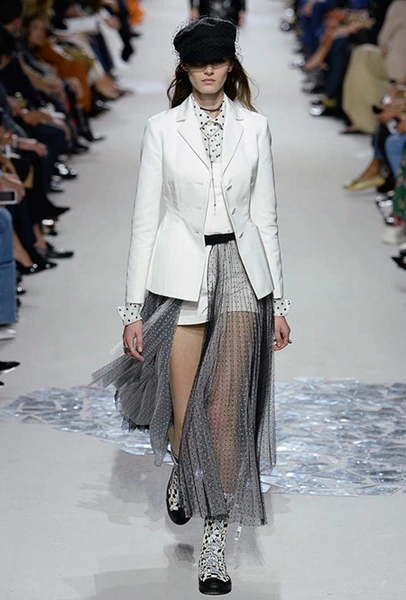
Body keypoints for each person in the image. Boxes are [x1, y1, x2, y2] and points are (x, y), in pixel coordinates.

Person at [91, 17, 291, 595]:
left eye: (218, 60)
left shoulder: (256, 128)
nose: (208, 69)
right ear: (184, 66)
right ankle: (183, 466)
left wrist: (280, 301)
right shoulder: (161, 129)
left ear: (231, 64)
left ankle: (215, 541)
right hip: (180, 277)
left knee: (225, 415)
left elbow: (266, 218)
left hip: (242, 275)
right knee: (185, 414)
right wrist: (132, 310)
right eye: (198, 61)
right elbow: (145, 220)